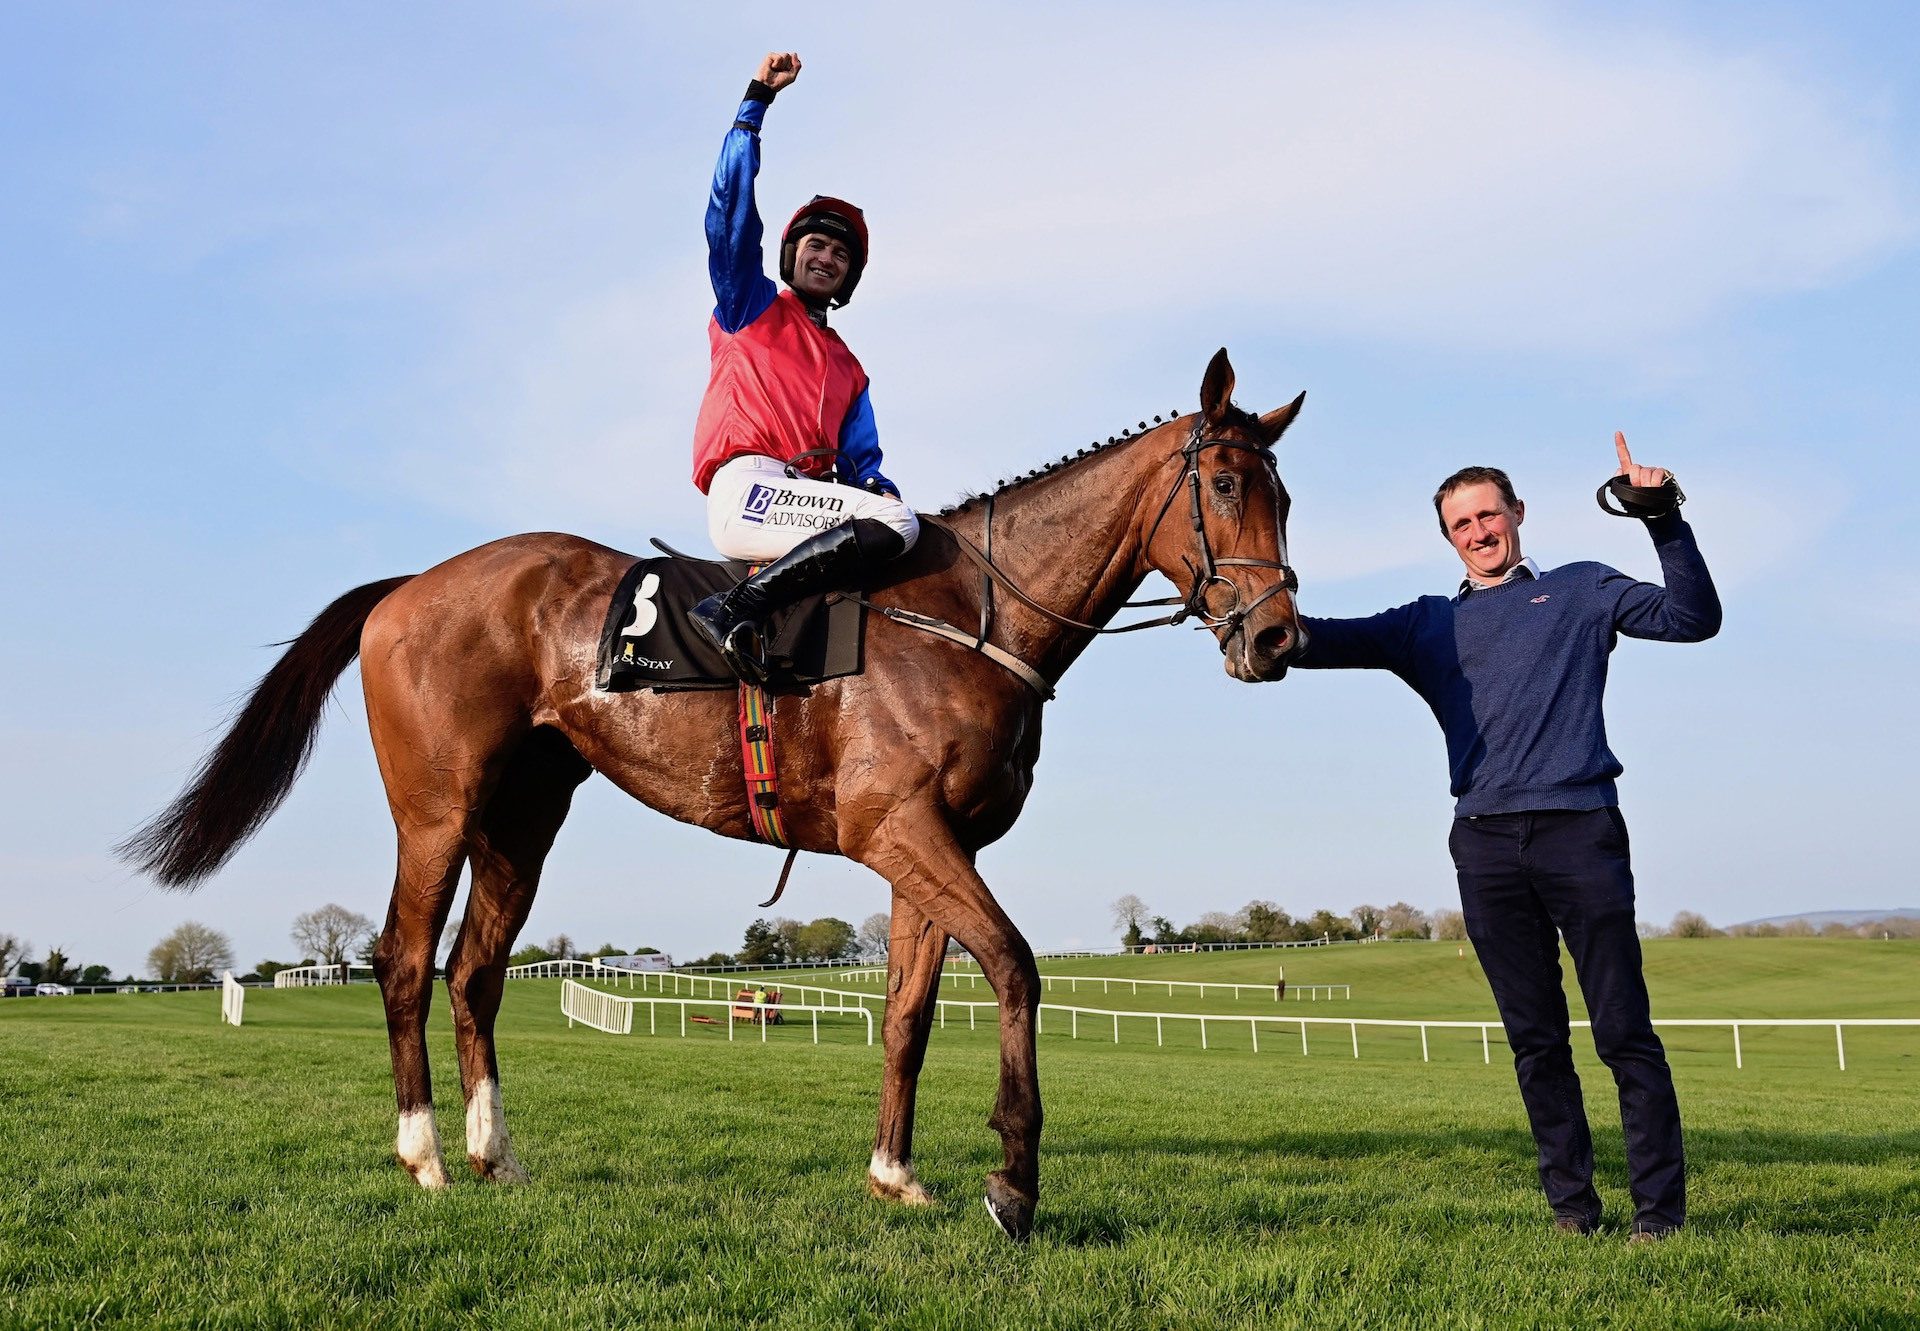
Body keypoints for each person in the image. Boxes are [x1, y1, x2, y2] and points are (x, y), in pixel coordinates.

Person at [1294, 434, 1721, 1242]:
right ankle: (1574, 1209)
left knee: (1623, 1030)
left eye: (1489, 512)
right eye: (1461, 522)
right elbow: (1310, 640)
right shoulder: (1425, 625)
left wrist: (1662, 516)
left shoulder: (1581, 589)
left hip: (1579, 828)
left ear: (1518, 513)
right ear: (1448, 537)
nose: (1479, 530)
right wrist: (1233, 609)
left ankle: (1659, 1215)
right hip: (1484, 842)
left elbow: (1694, 618)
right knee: (1535, 1040)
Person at [685, 51, 919, 683]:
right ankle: (730, 610)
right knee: (898, 526)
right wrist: (755, 103)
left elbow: (866, 473)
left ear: (850, 275)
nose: (827, 257)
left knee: (899, 526)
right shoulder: (749, 305)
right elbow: (729, 213)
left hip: (805, 499)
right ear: (791, 254)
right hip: (749, 491)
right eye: (816, 244)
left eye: (841, 253)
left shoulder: (851, 369)